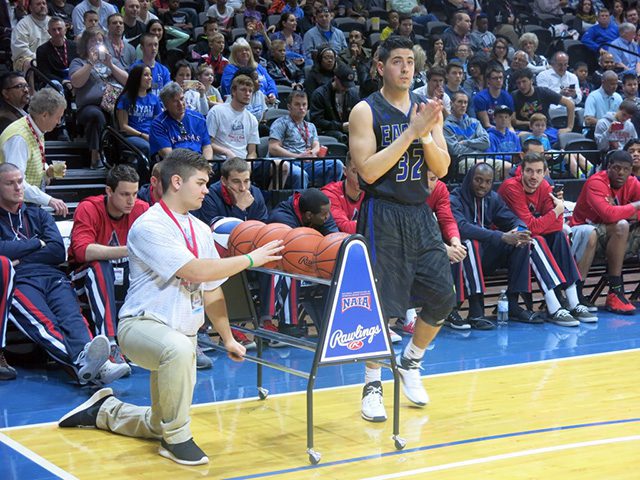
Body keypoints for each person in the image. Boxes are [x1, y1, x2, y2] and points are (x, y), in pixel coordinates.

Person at [58, 149, 283, 466]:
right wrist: (250, 259)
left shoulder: (201, 230)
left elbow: (212, 290)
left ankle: (106, 411)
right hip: (141, 327)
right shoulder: (149, 225)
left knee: (158, 421)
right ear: (177, 181)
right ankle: (176, 440)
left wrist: (228, 338)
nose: (208, 190)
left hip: (182, 336)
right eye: (201, 182)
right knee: (177, 354)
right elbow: (193, 271)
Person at [349, 36, 456, 421]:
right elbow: (369, 170)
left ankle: (411, 361)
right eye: (397, 61)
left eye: (410, 61)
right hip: (383, 212)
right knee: (384, 306)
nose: (406, 68)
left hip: (418, 212)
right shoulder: (365, 110)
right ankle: (372, 384)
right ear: (380, 67)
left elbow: (442, 169)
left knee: (444, 295)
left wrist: (425, 132)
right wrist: (411, 133)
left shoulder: (428, 110)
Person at [0, 163, 126, 384]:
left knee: (73, 318)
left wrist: (20, 254)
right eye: (10, 183)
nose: (18, 187)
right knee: (45, 325)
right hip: (17, 280)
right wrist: (36, 243)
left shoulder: (38, 213)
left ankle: (88, 362)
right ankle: (87, 363)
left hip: (53, 275)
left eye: (20, 181)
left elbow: (58, 251)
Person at [498, 153, 597, 324]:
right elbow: (529, 226)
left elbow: (557, 226)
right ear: (521, 171)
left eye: (538, 171)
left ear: (545, 173)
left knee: (559, 236)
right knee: (535, 240)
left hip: (526, 241)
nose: (533, 176)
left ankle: (574, 302)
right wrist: (557, 210)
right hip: (505, 243)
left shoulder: (545, 187)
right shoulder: (511, 188)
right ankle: (554, 307)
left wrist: (550, 216)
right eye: (529, 171)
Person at [68, 164, 148, 370]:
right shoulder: (89, 208)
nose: (131, 200)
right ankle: (110, 343)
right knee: (99, 265)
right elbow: (82, 252)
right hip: (82, 280)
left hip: (125, 274)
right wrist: (130, 249)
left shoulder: (141, 209)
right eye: (124, 194)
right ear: (109, 191)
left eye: (134, 193)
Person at [449, 163, 545, 328]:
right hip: (460, 259)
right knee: (470, 244)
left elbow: (512, 218)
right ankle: (476, 309)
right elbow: (462, 227)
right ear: (469, 179)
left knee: (521, 243)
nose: (483, 186)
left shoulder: (492, 198)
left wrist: (520, 230)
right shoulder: (455, 198)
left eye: (487, 181)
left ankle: (513, 302)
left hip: (487, 257)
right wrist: (501, 236)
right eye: (478, 180)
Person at [192, 156, 269, 349]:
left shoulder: (256, 194)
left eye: (246, 181)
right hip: (214, 254)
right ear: (224, 181)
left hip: (249, 252)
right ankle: (216, 329)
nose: (243, 188)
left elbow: (263, 229)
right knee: (227, 264)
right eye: (236, 182)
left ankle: (267, 321)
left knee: (273, 261)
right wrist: (239, 208)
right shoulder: (210, 196)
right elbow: (214, 231)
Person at [570, 149, 640, 314]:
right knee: (621, 225)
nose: (620, 173)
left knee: (622, 225)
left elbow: (614, 213)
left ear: (631, 170)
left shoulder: (633, 183)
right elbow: (608, 215)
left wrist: (623, 211)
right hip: (583, 232)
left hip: (612, 237)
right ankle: (615, 291)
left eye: (625, 169)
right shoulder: (596, 182)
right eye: (616, 168)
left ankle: (616, 293)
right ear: (608, 167)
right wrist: (636, 206)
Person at [0, 88, 68, 216]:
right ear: (44, 115)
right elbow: (16, 182)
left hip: (26, 203)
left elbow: (33, 157)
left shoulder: (36, 127)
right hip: (14, 207)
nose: (59, 122)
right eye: (58, 117)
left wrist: (48, 171)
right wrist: (50, 200)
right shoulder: (19, 139)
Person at [69, 27, 129, 169]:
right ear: (85, 44)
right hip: (89, 106)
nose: (97, 44)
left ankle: (123, 156)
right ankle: (95, 157)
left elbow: (128, 81)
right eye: (93, 41)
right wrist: (90, 63)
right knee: (96, 115)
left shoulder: (111, 60)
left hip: (112, 105)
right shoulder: (79, 62)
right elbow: (76, 82)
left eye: (100, 41)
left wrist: (111, 65)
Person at [150, 82, 213, 160]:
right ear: (166, 105)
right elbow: (168, 155)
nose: (180, 104)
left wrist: (207, 164)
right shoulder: (158, 124)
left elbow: (207, 147)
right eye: (175, 101)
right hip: (175, 165)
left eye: (182, 99)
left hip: (199, 163)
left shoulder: (198, 118)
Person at [206, 74, 260, 161]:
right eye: (243, 90)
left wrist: (249, 163)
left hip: (243, 162)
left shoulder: (252, 119)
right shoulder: (216, 111)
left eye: (250, 91)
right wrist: (226, 152)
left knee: (280, 165)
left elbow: (252, 152)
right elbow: (207, 143)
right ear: (233, 92)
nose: (247, 94)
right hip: (222, 161)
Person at [511, 68, 575, 139]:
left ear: (531, 81)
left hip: (545, 129)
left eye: (524, 81)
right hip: (524, 131)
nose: (521, 86)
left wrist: (569, 127)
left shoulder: (543, 92)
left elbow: (570, 104)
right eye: (518, 83)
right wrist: (530, 124)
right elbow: (514, 121)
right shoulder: (514, 96)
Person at [116, 64, 163, 161]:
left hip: (150, 135)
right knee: (146, 147)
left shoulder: (154, 99)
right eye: (146, 75)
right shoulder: (125, 98)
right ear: (136, 78)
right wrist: (142, 135)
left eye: (150, 75)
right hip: (131, 136)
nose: (149, 78)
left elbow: (158, 122)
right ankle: (145, 175)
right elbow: (123, 126)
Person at [443, 91, 493, 177]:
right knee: (488, 167)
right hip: (460, 162)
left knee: (507, 166)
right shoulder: (446, 126)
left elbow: (486, 142)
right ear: (451, 103)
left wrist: (467, 142)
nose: (463, 105)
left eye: (465, 102)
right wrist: (478, 151)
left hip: (480, 159)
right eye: (460, 102)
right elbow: (455, 150)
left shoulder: (475, 122)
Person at [309, 62, 359, 144]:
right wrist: (340, 126)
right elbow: (317, 121)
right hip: (328, 132)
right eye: (343, 85)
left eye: (348, 86)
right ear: (336, 79)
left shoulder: (352, 93)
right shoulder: (320, 94)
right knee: (341, 137)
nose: (346, 88)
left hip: (349, 131)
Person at [220, 38, 278, 103]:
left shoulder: (258, 66)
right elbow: (231, 88)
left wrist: (272, 93)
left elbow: (270, 81)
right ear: (234, 54)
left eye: (247, 50)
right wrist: (259, 97)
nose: (244, 52)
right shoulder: (230, 69)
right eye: (240, 50)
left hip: (266, 101)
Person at [320, 153, 362, 234]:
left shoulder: (371, 191)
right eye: (355, 171)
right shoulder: (330, 194)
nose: (360, 177)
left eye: (363, 171)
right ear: (345, 171)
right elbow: (344, 228)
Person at [35, 16, 77, 85]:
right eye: (54, 30)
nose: (57, 32)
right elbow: (45, 74)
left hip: (76, 78)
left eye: (59, 29)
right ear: (49, 32)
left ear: (65, 30)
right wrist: (63, 81)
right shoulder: (42, 50)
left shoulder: (75, 46)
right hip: (56, 84)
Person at [11, 0, 50, 71]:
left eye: (44, 3)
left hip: (50, 57)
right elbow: (21, 50)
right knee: (31, 63)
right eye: (38, 4)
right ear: (31, 8)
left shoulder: (53, 22)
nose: (42, 6)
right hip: (28, 59)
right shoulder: (22, 25)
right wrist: (41, 58)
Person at [473, 64, 513, 130]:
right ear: (488, 80)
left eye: (501, 77)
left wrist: (512, 135)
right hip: (489, 132)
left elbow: (509, 125)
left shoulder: (507, 96)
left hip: (505, 130)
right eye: (495, 78)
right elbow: (487, 124)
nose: (499, 80)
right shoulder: (480, 98)